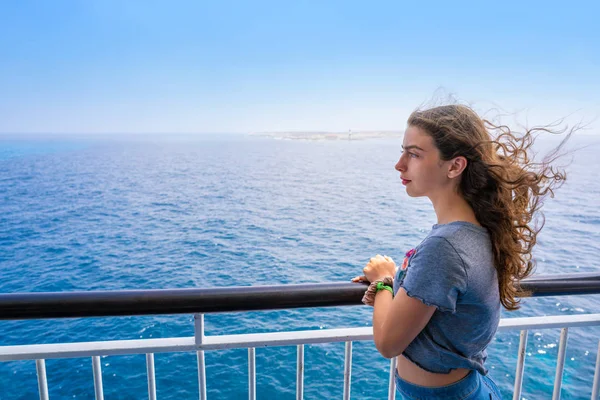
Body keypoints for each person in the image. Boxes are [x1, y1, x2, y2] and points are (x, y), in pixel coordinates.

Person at [352, 104, 570, 399]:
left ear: (454, 166)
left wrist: (382, 281)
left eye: (414, 154)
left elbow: (388, 343)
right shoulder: (478, 231)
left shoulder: (446, 246)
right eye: (403, 151)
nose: (399, 164)